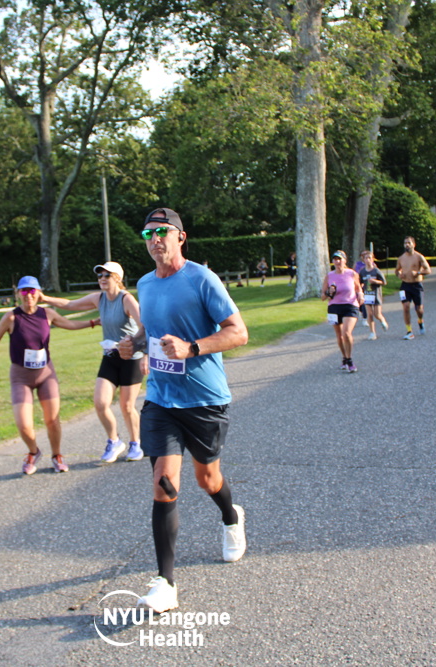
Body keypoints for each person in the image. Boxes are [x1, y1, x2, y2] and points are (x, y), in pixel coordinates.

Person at [118, 207, 249, 614]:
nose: (155, 239)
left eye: (162, 232)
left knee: (207, 479)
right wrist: (135, 344)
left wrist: (193, 348)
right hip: (161, 399)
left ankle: (231, 516)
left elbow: (238, 332)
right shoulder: (144, 284)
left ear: (181, 237)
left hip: (204, 399)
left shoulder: (201, 278)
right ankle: (165, 583)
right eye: (148, 234)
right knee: (164, 482)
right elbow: (150, 333)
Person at [0, 276, 99, 475]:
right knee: (23, 424)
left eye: (32, 291)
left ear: (39, 293)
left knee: (52, 419)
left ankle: (57, 455)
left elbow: (69, 324)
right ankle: (33, 452)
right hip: (21, 376)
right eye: (24, 291)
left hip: (46, 374)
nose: (28, 295)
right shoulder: (11, 317)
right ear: (18, 294)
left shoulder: (47, 314)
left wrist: (92, 322)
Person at [42, 261, 148, 464]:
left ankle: (136, 443)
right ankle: (114, 441)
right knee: (100, 403)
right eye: (100, 276)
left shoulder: (126, 299)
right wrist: (45, 298)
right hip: (110, 357)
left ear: (117, 278)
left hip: (131, 358)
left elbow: (144, 325)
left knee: (127, 406)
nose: (102, 279)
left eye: (107, 275)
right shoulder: (98, 298)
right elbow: (69, 305)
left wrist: (145, 353)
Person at [321, 250, 364, 373]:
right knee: (339, 336)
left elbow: (358, 288)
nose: (337, 261)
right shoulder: (329, 276)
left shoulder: (352, 273)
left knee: (346, 333)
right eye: (335, 259)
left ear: (345, 260)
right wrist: (329, 292)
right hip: (334, 307)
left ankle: (349, 360)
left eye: (340, 259)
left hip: (350, 305)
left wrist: (361, 295)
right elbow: (322, 297)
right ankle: (344, 357)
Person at [395, 236, 432, 339]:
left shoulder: (419, 257)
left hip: (417, 285)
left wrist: (418, 273)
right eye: (405, 243)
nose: (407, 245)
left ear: (413, 245)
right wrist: (399, 274)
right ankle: (409, 331)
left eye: (409, 243)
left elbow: (428, 270)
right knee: (406, 307)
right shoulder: (401, 258)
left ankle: (420, 321)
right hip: (405, 285)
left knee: (419, 309)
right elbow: (397, 270)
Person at [358, 251, 389, 340]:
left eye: (369, 258)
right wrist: (360, 290)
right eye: (366, 258)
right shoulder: (362, 272)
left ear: (372, 259)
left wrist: (375, 281)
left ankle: (382, 320)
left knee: (377, 314)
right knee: (369, 314)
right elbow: (360, 283)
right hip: (367, 295)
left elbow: (384, 282)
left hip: (376, 294)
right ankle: (372, 332)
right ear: (363, 260)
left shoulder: (376, 271)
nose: (368, 260)